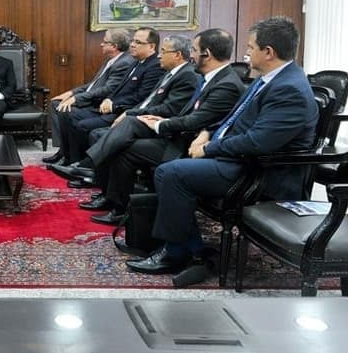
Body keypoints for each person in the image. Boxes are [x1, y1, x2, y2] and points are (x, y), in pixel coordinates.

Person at [126, 17, 318, 275]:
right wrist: (208, 132)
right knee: (172, 166)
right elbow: (234, 119)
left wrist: (208, 149)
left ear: (268, 52)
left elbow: (257, 142)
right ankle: (192, 248)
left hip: (260, 172)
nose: (246, 53)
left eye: (250, 47)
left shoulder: (289, 90)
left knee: (171, 173)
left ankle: (175, 253)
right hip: (238, 158)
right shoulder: (269, 79)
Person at [71, 29, 244, 224]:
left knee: (128, 133)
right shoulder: (209, 77)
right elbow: (186, 113)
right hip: (179, 134)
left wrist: (159, 123)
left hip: (188, 145)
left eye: (194, 50)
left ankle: (95, 174)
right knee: (124, 140)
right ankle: (116, 202)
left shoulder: (225, 84)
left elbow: (196, 121)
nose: (191, 55)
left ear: (207, 54)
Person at [54, 26, 164, 166]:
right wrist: (108, 99)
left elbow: (141, 96)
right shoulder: (136, 62)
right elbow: (117, 87)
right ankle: (72, 160)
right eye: (133, 41)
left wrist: (114, 104)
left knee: (83, 125)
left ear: (151, 46)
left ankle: (84, 165)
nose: (132, 44)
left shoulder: (154, 67)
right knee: (67, 113)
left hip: (124, 112)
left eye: (138, 42)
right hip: (111, 107)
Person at [43, 28, 134, 164]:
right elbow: (93, 84)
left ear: (114, 46)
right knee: (56, 103)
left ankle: (70, 158)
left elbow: (106, 90)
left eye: (105, 42)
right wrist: (71, 93)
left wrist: (76, 99)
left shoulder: (123, 63)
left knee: (65, 111)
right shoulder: (111, 60)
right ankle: (63, 150)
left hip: (99, 104)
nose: (101, 44)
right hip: (91, 98)